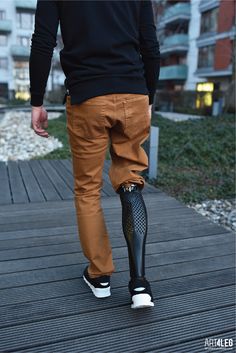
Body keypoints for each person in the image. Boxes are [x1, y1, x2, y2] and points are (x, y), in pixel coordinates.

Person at [29, 0, 160, 309]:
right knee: (130, 179)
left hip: (88, 96)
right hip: (134, 93)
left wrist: (37, 101)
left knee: (87, 188)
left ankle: (99, 275)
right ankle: (139, 284)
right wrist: (149, 97)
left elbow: (43, 41)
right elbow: (150, 46)